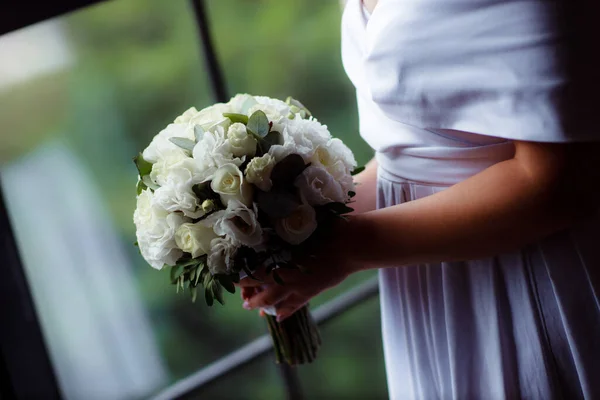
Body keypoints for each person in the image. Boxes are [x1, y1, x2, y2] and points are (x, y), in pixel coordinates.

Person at [240, 0, 600, 398]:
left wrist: (347, 248)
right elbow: (416, 153)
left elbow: (562, 182)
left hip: (531, 281)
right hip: (423, 298)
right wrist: (293, 232)